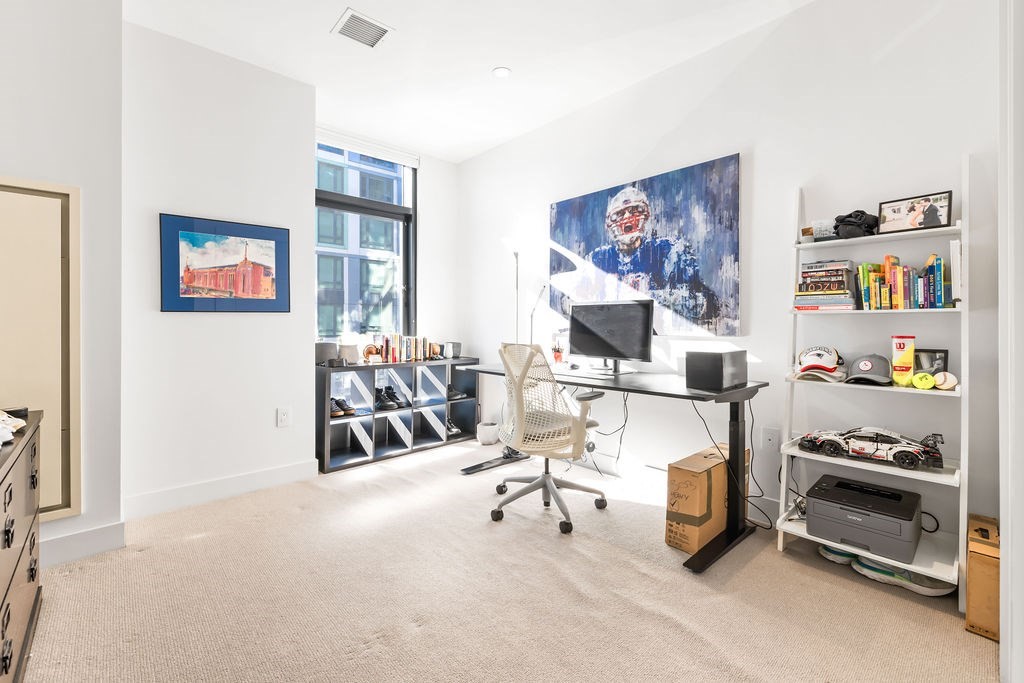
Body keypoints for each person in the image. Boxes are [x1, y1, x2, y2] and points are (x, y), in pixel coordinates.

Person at [586, 185, 719, 327]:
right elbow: (575, 301)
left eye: (633, 210)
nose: (627, 217)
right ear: (610, 222)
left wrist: (647, 297)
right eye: (620, 214)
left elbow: (703, 304)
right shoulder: (599, 258)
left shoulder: (667, 250)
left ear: (645, 214)